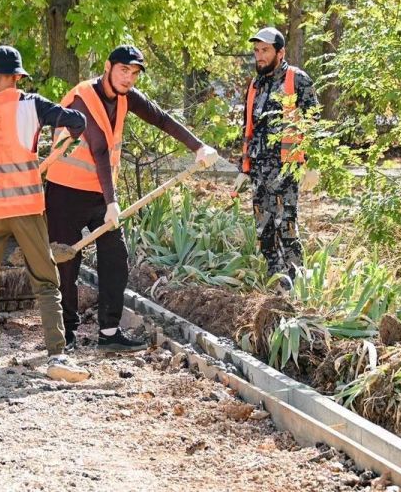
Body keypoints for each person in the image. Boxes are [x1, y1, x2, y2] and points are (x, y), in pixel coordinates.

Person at [45, 45, 220, 352]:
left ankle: (110, 333)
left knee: (116, 259)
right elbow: (98, 147)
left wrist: (198, 146)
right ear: (107, 67)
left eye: (135, 73)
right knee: (66, 263)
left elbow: (161, 119)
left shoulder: (125, 98)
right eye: (124, 70)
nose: (129, 78)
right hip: (65, 191)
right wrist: (113, 204)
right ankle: (65, 335)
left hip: (100, 192)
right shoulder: (81, 99)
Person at [0, 45, 90, 386]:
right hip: (25, 209)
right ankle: (56, 355)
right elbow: (77, 120)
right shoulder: (32, 105)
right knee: (47, 284)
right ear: (19, 76)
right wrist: (73, 138)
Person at [235, 27, 319, 289]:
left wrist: (312, 164)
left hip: (287, 170)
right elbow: (248, 129)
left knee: (287, 230)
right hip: (259, 174)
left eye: (265, 51)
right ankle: (276, 286)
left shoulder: (297, 80)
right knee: (265, 233)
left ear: (280, 52)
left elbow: (313, 124)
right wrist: (244, 168)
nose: (259, 56)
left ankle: (298, 290)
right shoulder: (255, 85)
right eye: (256, 51)